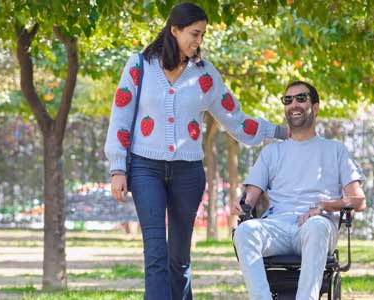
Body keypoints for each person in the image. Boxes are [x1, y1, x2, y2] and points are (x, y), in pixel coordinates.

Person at [104, 3, 287, 299]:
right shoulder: (138, 66)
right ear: (174, 30)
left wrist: (280, 132)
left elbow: (236, 120)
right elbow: (121, 118)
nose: (198, 41)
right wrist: (117, 168)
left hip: (187, 173)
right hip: (144, 169)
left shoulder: (205, 74)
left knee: (179, 258)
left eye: (201, 35)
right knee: (155, 252)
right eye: (194, 33)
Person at [231, 80, 366, 300]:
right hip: (278, 226)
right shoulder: (271, 152)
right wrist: (243, 202)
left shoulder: (335, 150)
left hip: (317, 226)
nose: (294, 104)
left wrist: (324, 206)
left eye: (301, 98)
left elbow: (359, 201)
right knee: (245, 231)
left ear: (315, 107)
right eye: (288, 100)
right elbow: (250, 197)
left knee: (315, 226)